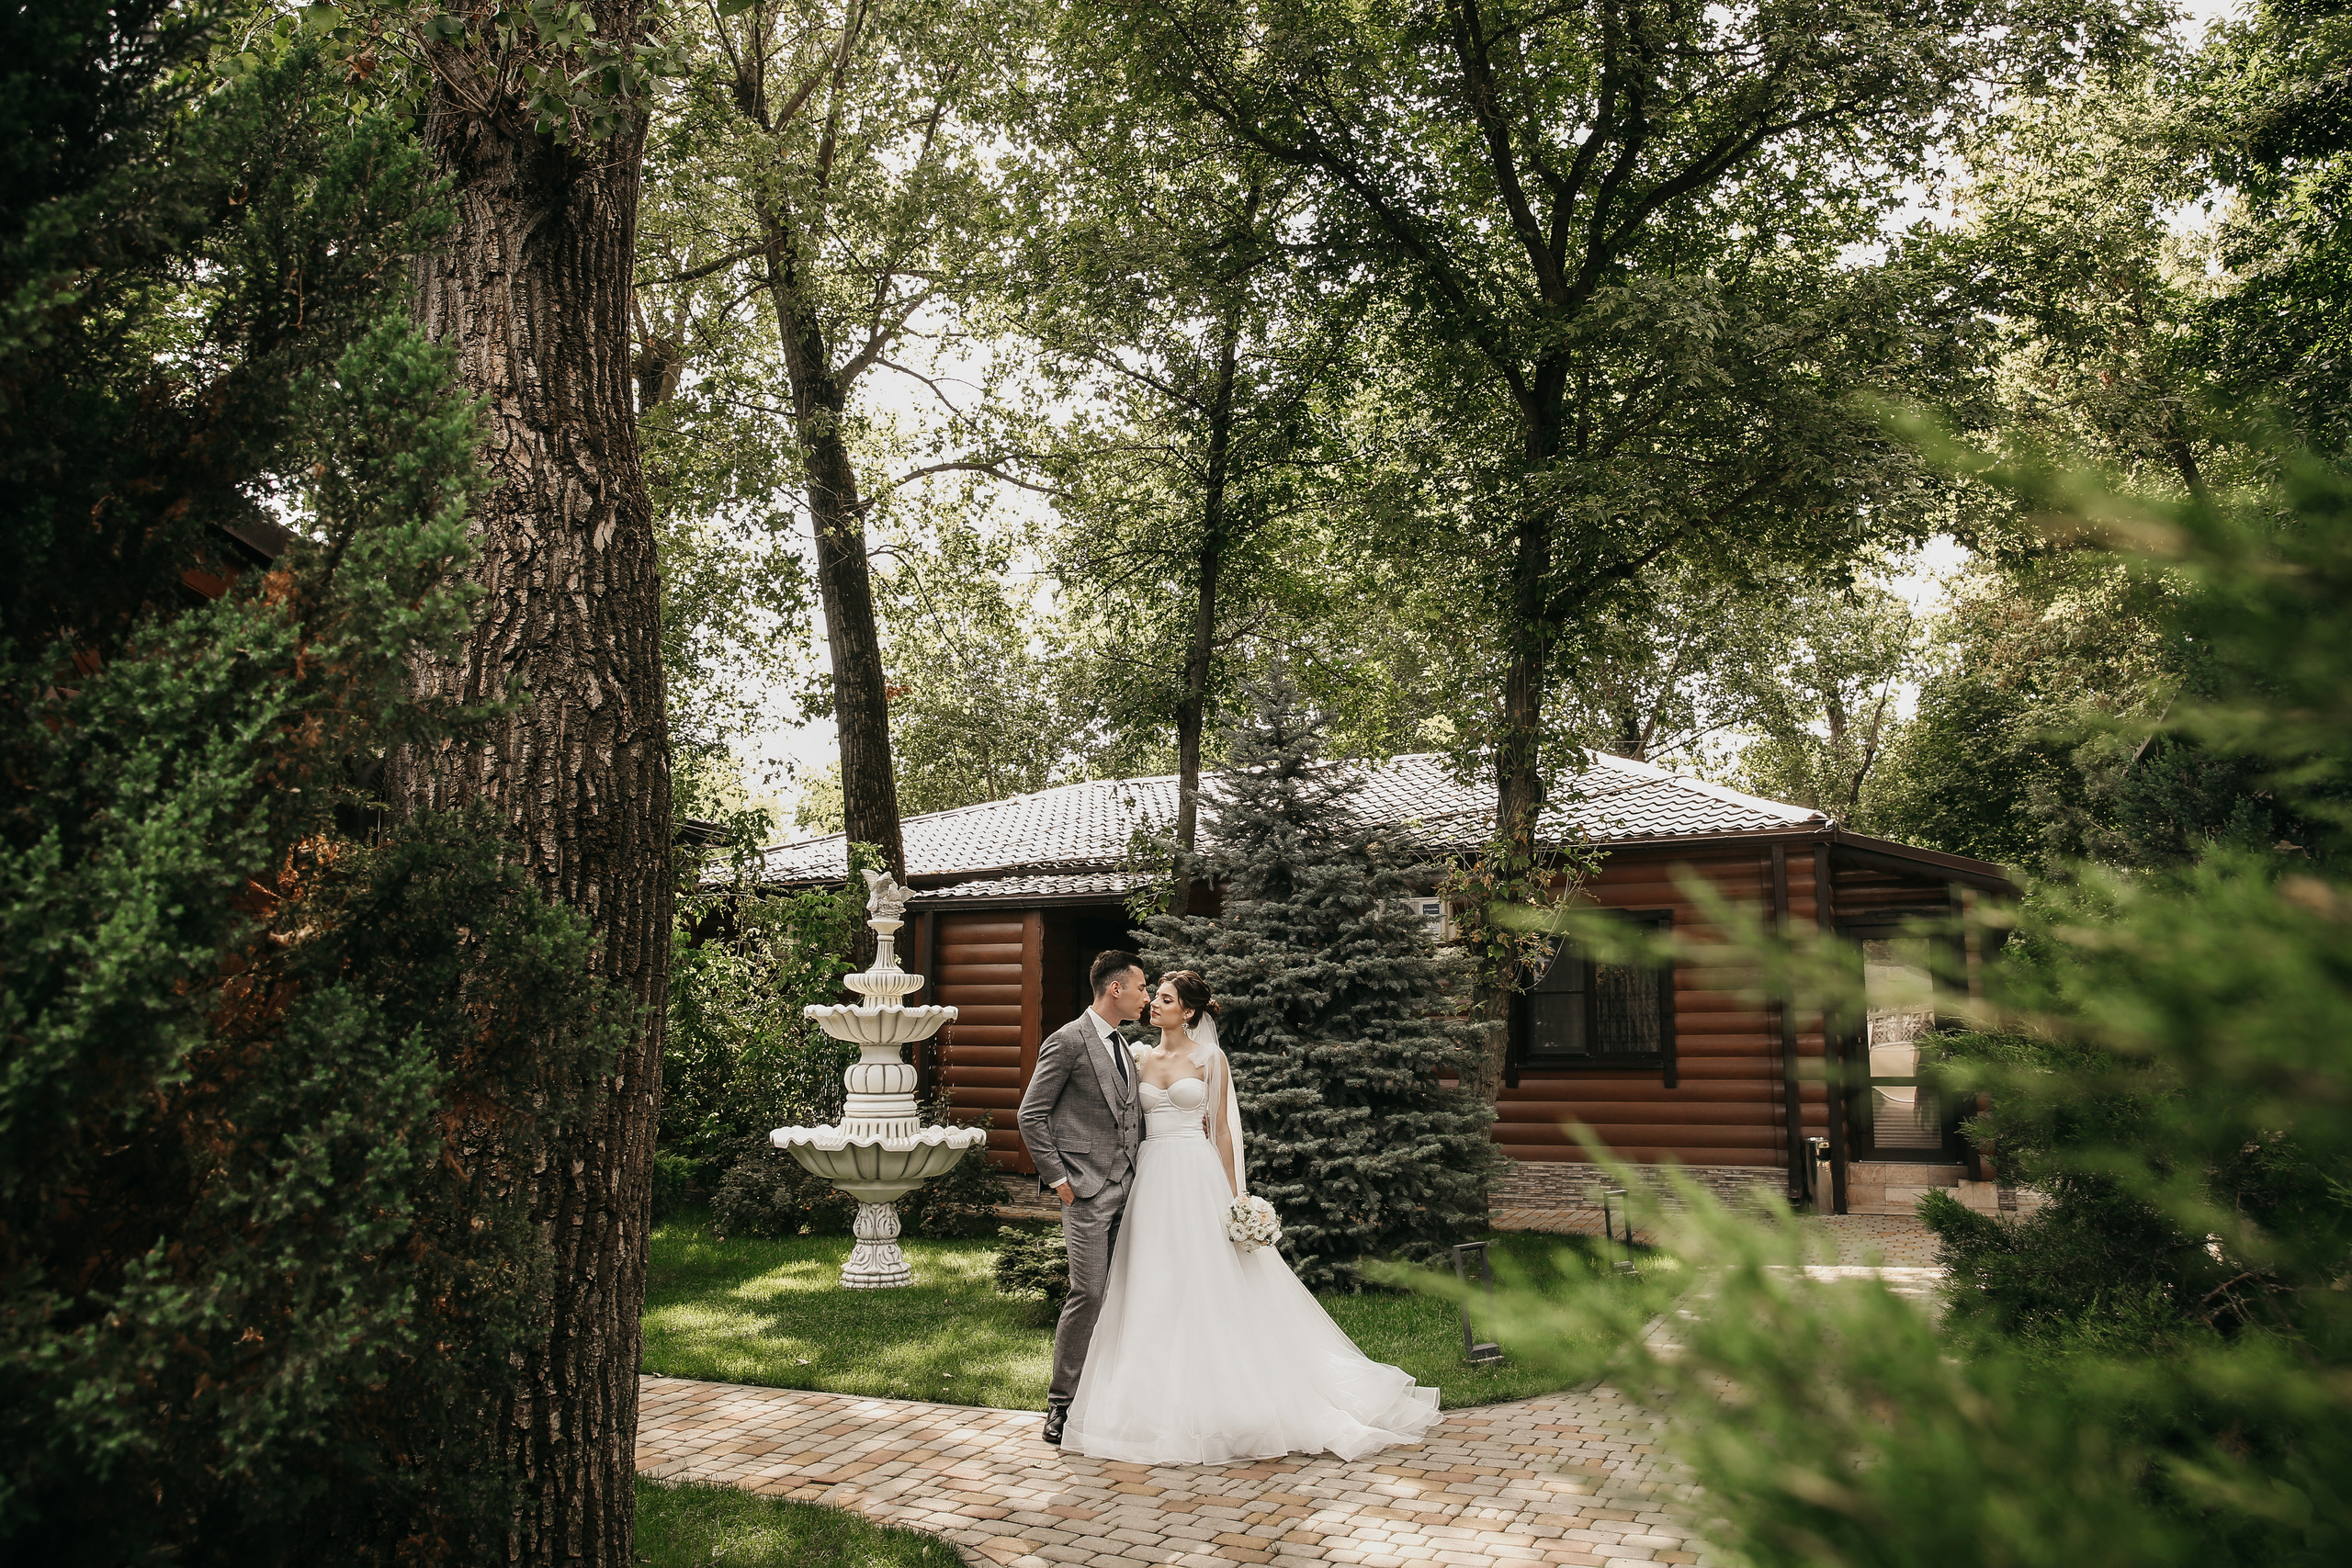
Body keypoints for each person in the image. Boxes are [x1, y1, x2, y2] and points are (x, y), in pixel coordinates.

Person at [1058, 970, 1442, 1464]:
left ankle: (1231, 1394)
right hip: (1150, 1179)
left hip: (1197, 1176)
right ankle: (1146, 1400)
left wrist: (1236, 1199)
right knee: (1151, 1280)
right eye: (1154, 997)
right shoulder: (1138, 1056)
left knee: (1208, 1280)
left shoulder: (1210, 1059)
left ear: (1189, 1011)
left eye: (1167, 999)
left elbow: (1220, 1131)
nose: (1155, 1003)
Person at [1016, 950, 1150, 1447]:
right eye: (1141, 987)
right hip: (1087, 1191)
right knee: (1088, 1292)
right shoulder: (1068, 1041)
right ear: (1115, 988)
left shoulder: (1125, 1045)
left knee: (1127, 1296)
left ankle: (1112, 1398)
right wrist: (1059, 1179)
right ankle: (1061, 1404)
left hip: (1133, 1188)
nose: (1146, 995)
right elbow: (1031, 1114)